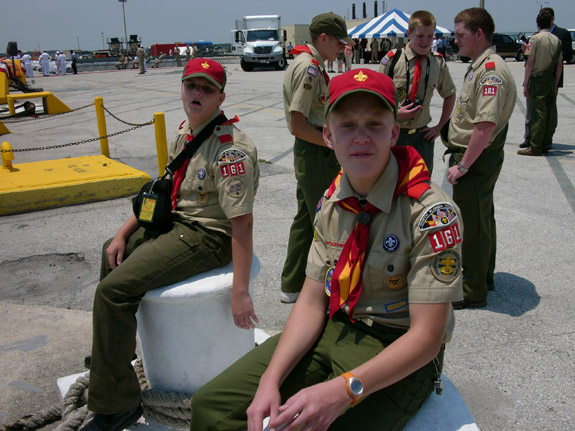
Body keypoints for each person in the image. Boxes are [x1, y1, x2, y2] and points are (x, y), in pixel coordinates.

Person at [190, 68, 463, 431]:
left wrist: (343, 391)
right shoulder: (334, 201)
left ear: (394, 132)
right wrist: (269, 380)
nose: (361, 137)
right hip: (336, 326)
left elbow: (427, 337)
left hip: (396, 348)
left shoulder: (431, 214)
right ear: (328, 135)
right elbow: (312, 300)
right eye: (347, 125)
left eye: (375, 124)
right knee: (211, 408)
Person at [79, 58, 260, 431]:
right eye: (191, 85)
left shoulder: (228, 150)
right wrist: (122, 233)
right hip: (179, 222)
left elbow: (241, 224)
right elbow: (164, 192)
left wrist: (240, 292)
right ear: (181, 89)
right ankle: (116, 358)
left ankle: (117, 406)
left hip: (209, 236)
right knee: (109, 252)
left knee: (114, 293)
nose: (196, 93)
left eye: (206, 88)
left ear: (220, 97)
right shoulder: (187, 133)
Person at [442, 7, 516, 309]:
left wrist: (463, 165)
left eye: (461, 35)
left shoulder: (491, 71)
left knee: (471, 223)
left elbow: (484, 127)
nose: (455, 41)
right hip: (477, 157)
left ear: (479, 34)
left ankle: (472, 290)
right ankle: (482, 276)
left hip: (475, 158)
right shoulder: (480, 65)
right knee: (481, 218)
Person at [279, 12, 352, 303]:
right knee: (325, 220)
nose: (341, 48)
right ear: (324, 38)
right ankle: (326, 290)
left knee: (305, 218)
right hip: (316, 153)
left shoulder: (313, 64)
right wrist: (331, 143)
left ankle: (292, 284)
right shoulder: (309, 68)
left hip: (316, 151)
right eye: (338, 42)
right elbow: (298, 125)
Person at [380, 10, 456, 175]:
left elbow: (450, 94)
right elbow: (375, 98)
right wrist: (394, 114)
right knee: (389, 184)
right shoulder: (393, 60)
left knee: (421, 186)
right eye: (420, 36)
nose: (425, 41)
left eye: (430, 36)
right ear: (409, 33)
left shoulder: (437, 62)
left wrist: (439, 127)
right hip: (393, 134)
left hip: (422, 138)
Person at [520, 7, 572, 151]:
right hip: (550, 79)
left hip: (537, 79)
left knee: (538, 112)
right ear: (551, 22)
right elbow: (560, 65)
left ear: (537, 24)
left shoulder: (534, 39)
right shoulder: (557, 40)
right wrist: (555, 83)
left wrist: (526, 83)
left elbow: (530, 63)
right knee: (549, 111)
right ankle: (545, 140)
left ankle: (535, 144)